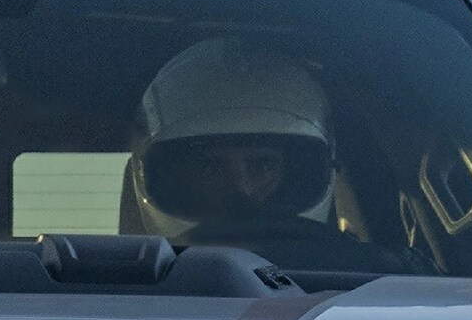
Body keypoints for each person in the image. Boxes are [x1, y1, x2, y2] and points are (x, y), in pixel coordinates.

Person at [128, 39, 414, 273]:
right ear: (175, 178)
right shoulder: (119, 294)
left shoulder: (379, 281)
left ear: (296, 173)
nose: (241, 187)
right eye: (212, 167)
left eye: (261, 165)